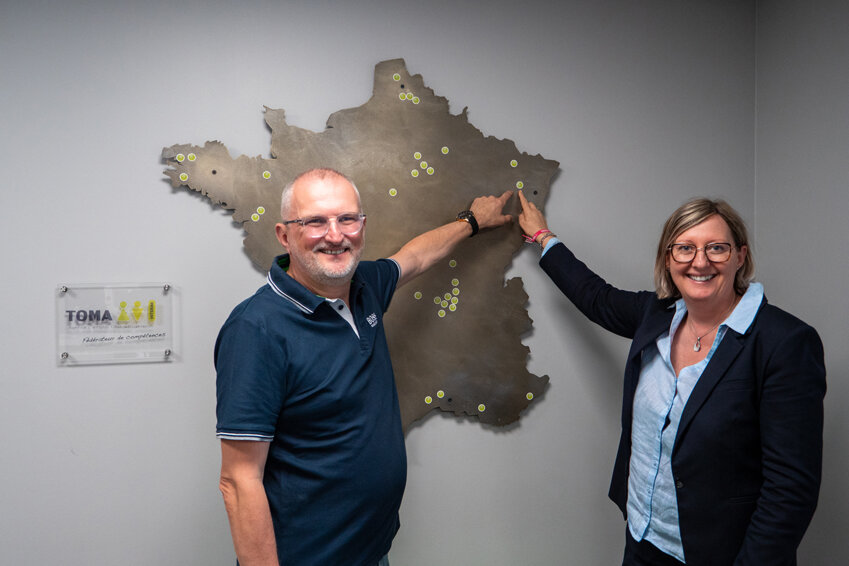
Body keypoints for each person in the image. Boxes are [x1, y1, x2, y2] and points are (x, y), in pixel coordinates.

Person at [215, 167, 513, 566]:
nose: (335, 235)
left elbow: (417, 257)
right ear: (285, 235)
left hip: (372, 552)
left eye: (347, 219)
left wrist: (472, 222)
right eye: (315, 222)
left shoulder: (364, 286)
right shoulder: (256, 329)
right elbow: (238, 481)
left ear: (362, 225)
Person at [517, 191, 825, 566]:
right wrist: (543, 237)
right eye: (684, 248)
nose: (700, 262)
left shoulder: (784, 342)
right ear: (668, 257)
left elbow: (790, 491)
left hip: (719, 554)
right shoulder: (658, 313)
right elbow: (595, 296)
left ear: (740, 256)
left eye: (717, 248)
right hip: (643, 539)